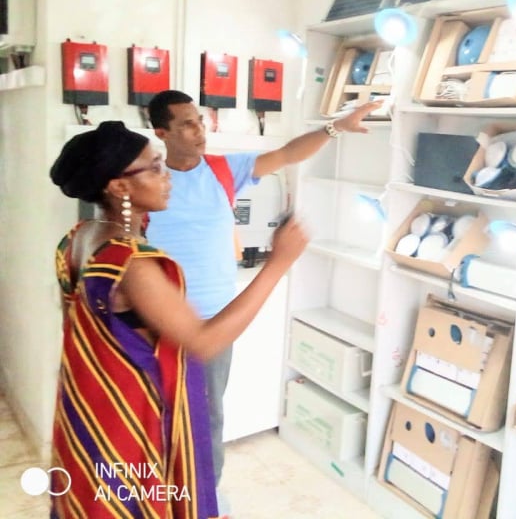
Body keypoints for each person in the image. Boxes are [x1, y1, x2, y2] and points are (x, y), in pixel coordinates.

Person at [48, 121, 308, 518]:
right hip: (133, 418)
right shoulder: (131, 263)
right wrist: (278, 265)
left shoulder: (79, 236)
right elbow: (204, 342)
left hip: (94, 406)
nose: (166, 176)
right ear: (119, 187)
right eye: (154, 168)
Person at [144, 90, 381, 490]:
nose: (199, 130)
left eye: (200, 121)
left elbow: (288, 154)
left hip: (216, 321)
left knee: (207, 415)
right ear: (161, 133)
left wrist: (335, 128)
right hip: (157, 320)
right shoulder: (149, 183)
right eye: (186, 124)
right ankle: (156, 493)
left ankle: (205, 497)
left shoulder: (223, 170)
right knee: (153, 413)